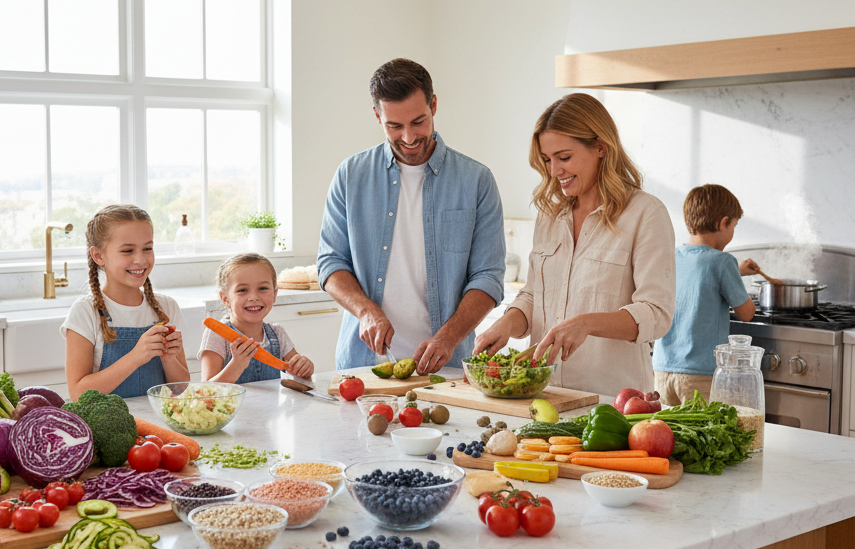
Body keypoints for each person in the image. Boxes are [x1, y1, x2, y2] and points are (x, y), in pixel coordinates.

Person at [474, 93, 675, 398]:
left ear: (600, 148)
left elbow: (656, 314)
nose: (554, 171)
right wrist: (506, 323)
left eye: (564, 157)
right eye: (547, 160)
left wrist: (586, 324)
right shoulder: (550, 215)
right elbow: (534, 295)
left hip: (612, 404)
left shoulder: (646, 214)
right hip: (543, 396)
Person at [318, 58, 505, 373]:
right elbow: (331, 264)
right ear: (378, 116)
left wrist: (448, 337)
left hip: (447, 369)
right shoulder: (351, 175)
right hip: (363, 368)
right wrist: (365, 312)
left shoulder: (476, 180)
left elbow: (488, 277)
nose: (408, 137)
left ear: (433, 105)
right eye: (394, 125)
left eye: (418, 121)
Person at [61, 204, 190, 399]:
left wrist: (169, 358)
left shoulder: (166, 308)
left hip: (157, 426)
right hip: (105, 429)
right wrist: (136, 357)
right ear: (98, 255)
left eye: (147, 248)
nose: (140, 259)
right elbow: (78, 393)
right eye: (127, 251)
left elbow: (181, 389)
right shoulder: (85, 312)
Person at [653, 184, 760, 405]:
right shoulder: (723, 261)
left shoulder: (672, 256)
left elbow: (697, 277)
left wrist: (736, 272)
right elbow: (746, 313)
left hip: (662, 369)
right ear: (723, 223)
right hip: (700, 374)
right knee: (703, 435)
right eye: (734, 226)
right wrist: (735, 275)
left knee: (671, 434)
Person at [198, 253, 315, 383]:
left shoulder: (278, 333)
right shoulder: (217, 335)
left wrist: (305, 369)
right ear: (225, 298)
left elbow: (298, 379)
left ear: (274, 294)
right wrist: (237, 364)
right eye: (242, 290)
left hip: (272, 404)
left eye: (263, 288)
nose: (254, 297)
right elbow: (207, 390)